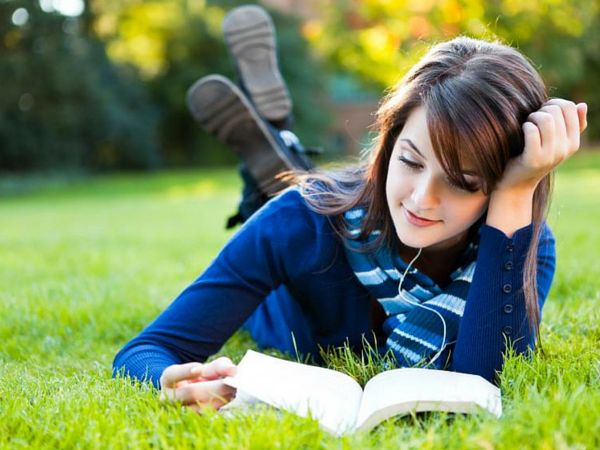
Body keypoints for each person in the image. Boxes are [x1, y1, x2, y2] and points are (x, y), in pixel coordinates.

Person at [112, 4, 588, 412]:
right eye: (410, 160)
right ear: (388, 140)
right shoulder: (300, 220)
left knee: (294, 190)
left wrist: (514, 195)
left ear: (500, 184)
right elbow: (148, 349)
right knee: (285, 201)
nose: (422, 198)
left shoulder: (519, 239)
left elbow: (485, 378)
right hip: (309, 234)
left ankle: (281, 140)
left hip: (328, 203)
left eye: (463, 183)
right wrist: (171, 381)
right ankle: (280, 145)